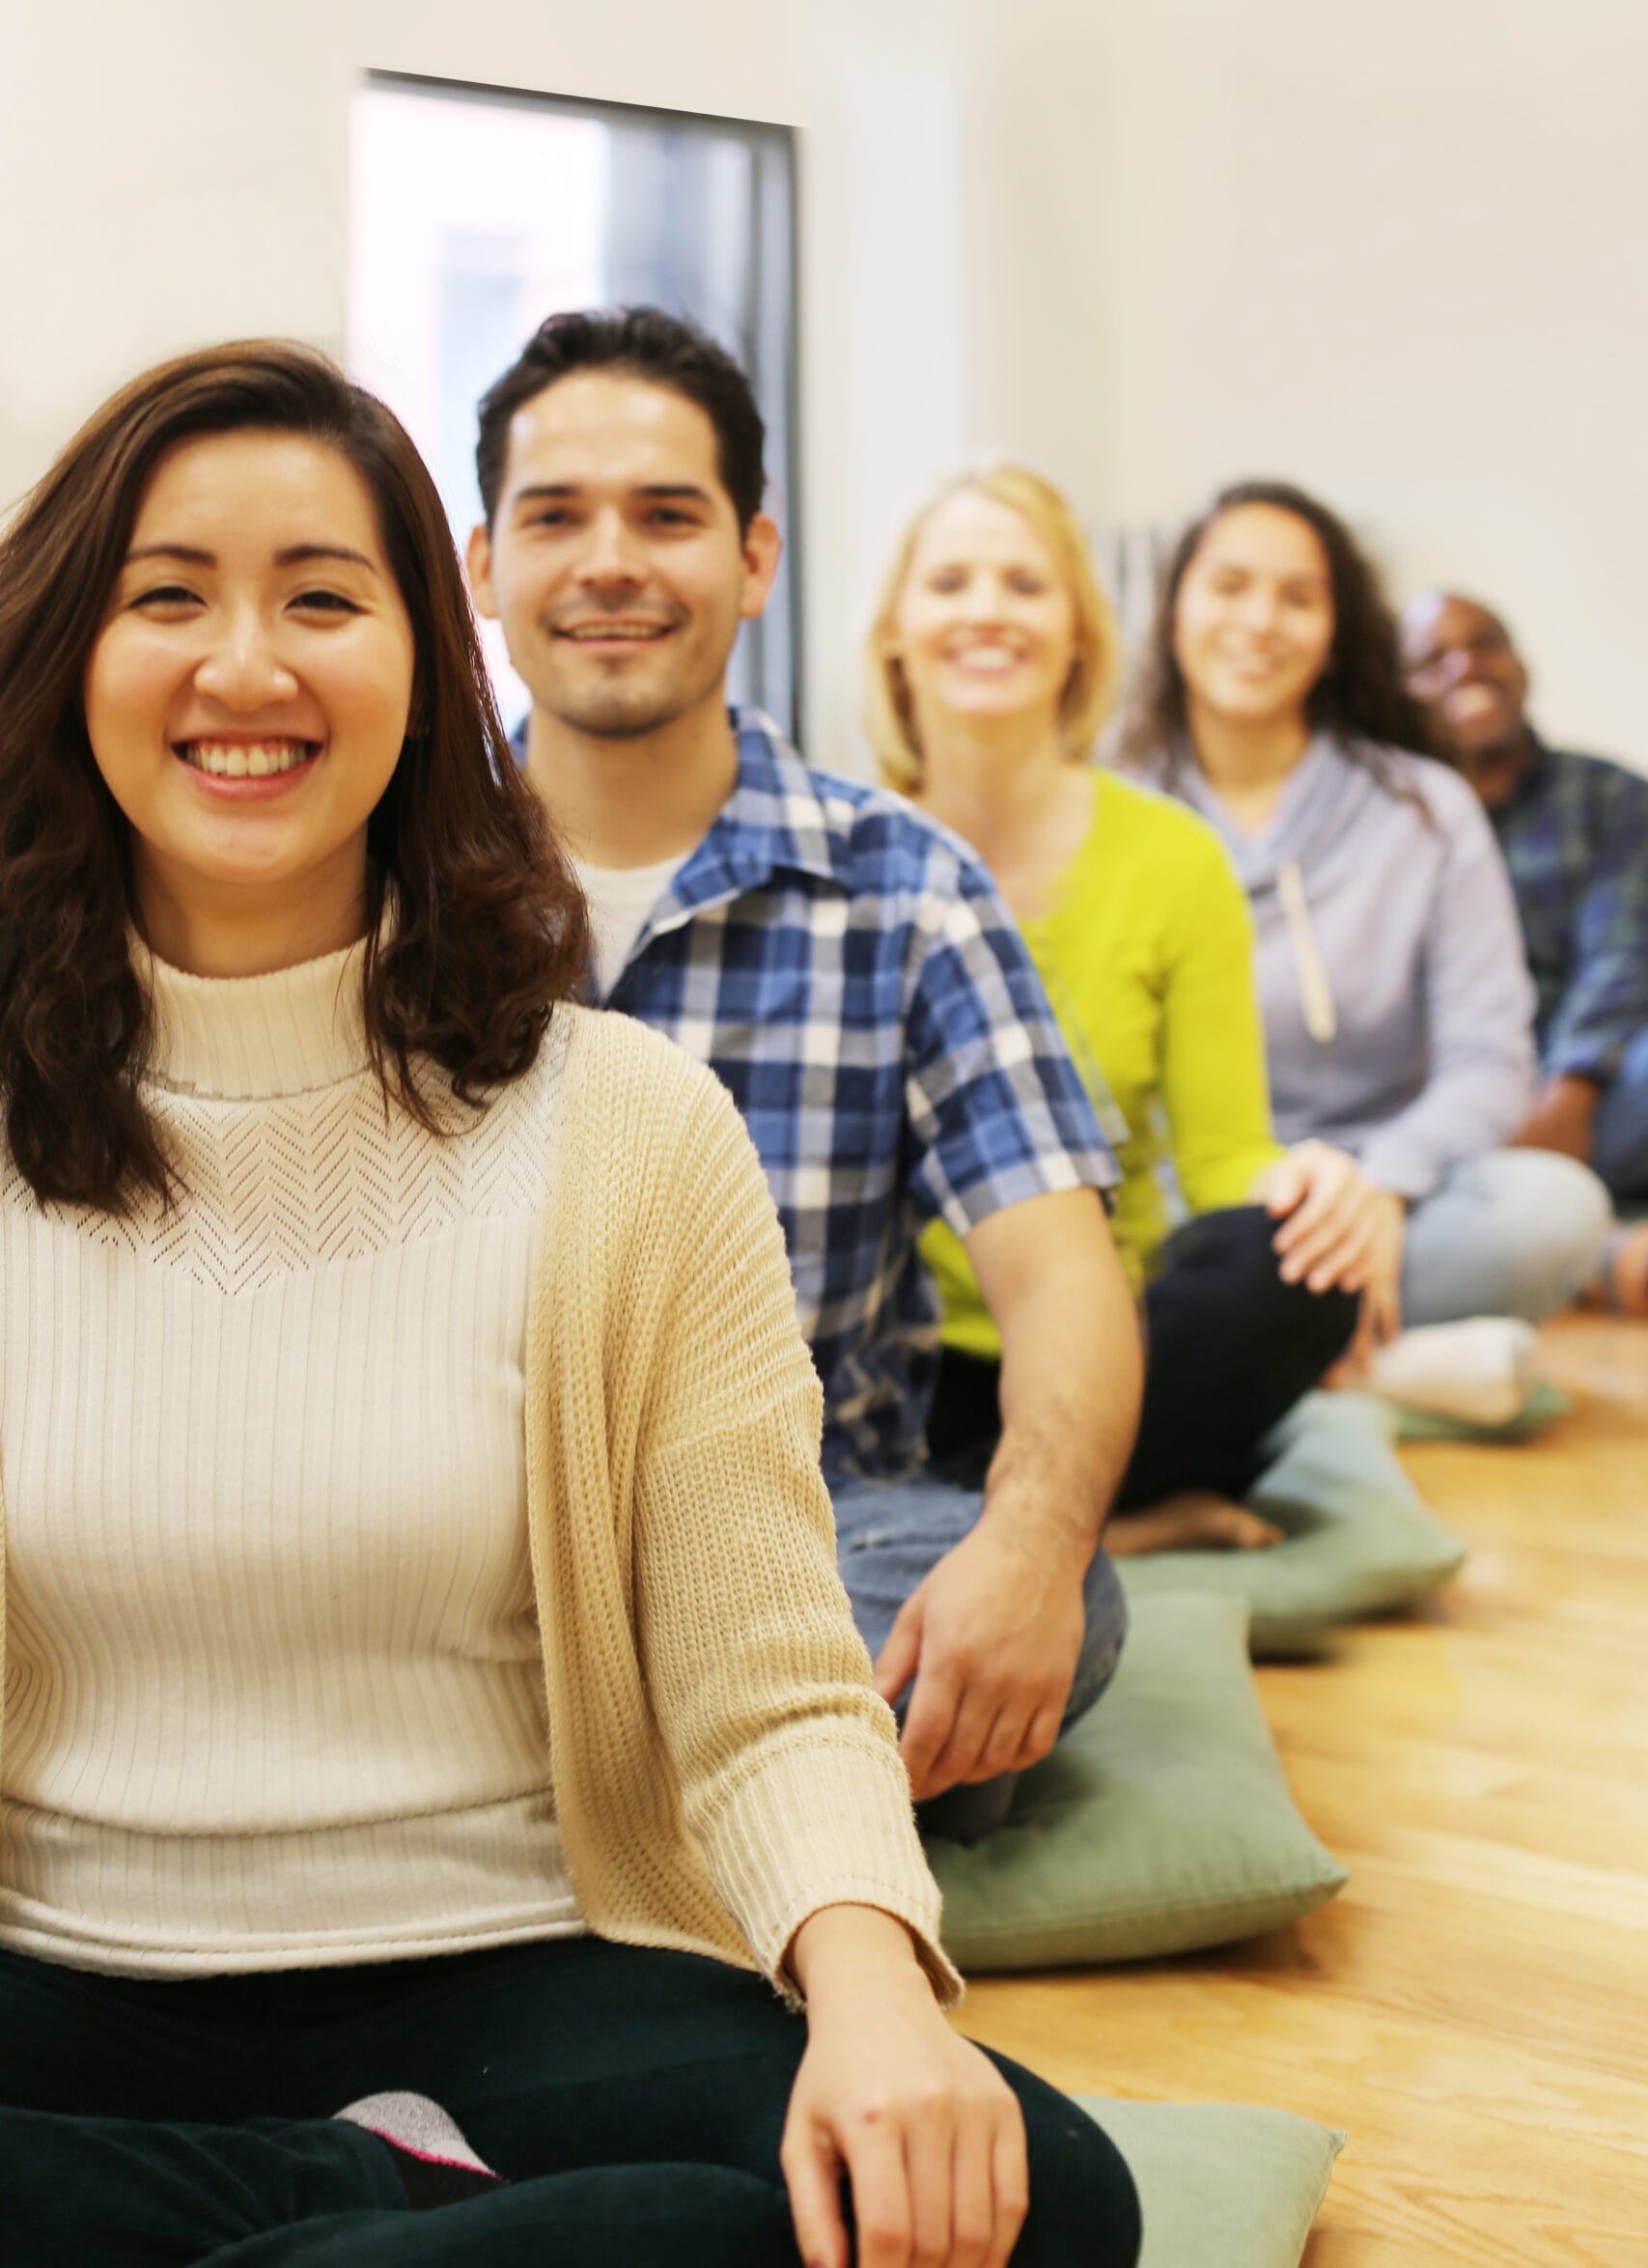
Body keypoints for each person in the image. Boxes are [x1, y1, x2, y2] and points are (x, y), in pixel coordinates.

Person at [0, 341, 1142, 2268]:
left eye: (323, 599)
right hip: (60, 1960)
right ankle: (358, 2207)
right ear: (66, 656)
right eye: (169, 594)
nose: (249, 665)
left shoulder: (618, 1119)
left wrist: (872, 1993)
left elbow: (769, 1665)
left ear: (429, 659)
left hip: (502, 1947)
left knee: (1024, 2204)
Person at [468, 309, 1140, 1842]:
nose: (610, 562)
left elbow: (1056, 1279)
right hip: (445, 1550)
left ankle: (535, 1804)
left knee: (1044, 1602)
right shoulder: (379, 878)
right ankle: (736, 1795)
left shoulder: (908, 887)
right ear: (479, 568)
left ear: (753, 560)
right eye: (554, 518)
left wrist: (1027, 1550)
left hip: (812, 1534)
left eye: (666, 517)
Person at [863, 465, 1377, 1551]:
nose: (989, 610)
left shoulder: (1175, 859)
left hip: (1109, 1352)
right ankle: (1091, 1525)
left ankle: (1007, 1515)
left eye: (1024, 584)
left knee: (1305, 1261)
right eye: (951, 581)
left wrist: (1318, 1185)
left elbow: (1229, 1152)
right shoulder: (845, 852)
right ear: (897, 632)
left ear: (1080, 635)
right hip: (897, 1363)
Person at [1117, 481, 1612, 1366]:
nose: (1260, 621)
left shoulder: (1425, 809)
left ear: (1338, 630)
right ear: (1173, 607)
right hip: (1194, 1207)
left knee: (1554, 1213)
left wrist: (1377, 1187)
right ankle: (1382, 1376)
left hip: (1394, 1197)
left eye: (1298, 597)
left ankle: (1286, 1375)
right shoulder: (1116, 812)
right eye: (1229, 586)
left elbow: (1490, 1062)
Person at [1401, 590, 1648, 1302]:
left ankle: (1537, 1237)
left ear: (1519, 664)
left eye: (1483, 643)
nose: (1463, 667)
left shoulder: (1612, 798)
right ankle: (1595, 1253)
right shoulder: (1393, 817)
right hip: (1447, 1100)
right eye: (1430, 660)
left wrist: (1566, 1094)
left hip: (1596, 1095)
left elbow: (1623, 958)